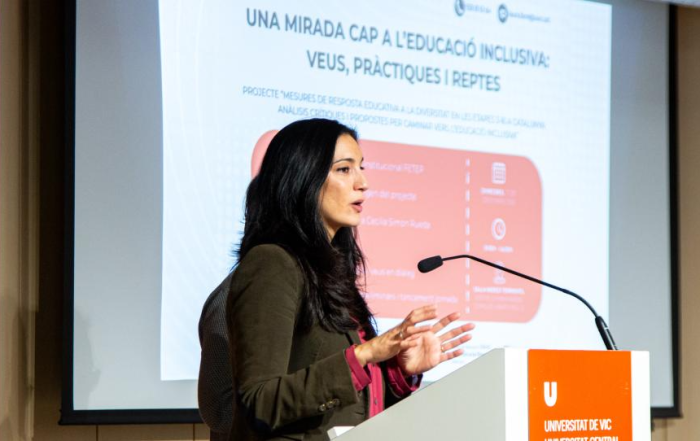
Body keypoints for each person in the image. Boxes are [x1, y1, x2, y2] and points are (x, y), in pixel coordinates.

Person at [212, 118, 474, 441]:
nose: (363, 182)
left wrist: (398, 370)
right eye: (344, 169)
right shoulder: (272, 263)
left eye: (361, 168)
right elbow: (260, 402)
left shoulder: (330, 272)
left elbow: (344, 407)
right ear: (303, 176)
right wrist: (364, 354)